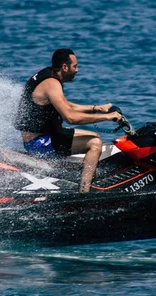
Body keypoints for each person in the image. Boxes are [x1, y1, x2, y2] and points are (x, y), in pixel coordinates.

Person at [14, 48, 122, 193]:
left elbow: (66, 105)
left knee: (95, 136)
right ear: (64, 67)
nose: (77, 70)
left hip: (44, 136)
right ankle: (84, 191)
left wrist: (97, 108)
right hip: (39, 143)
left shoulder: (48, 76)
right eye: (75, 66)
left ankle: (77, 175)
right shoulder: (51, 84)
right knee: (95, 143)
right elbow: (70, 117)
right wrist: (107, 117)